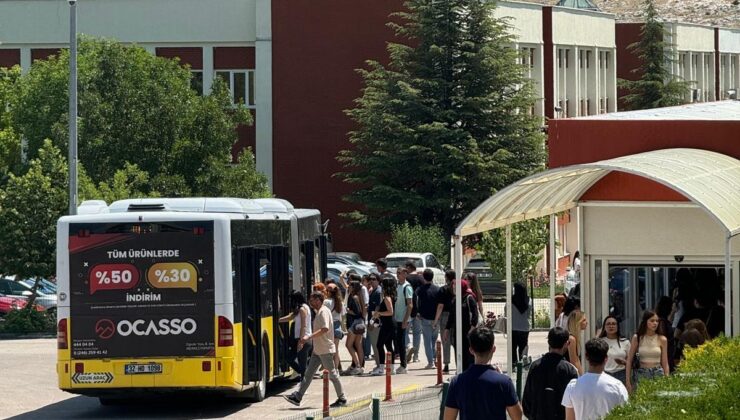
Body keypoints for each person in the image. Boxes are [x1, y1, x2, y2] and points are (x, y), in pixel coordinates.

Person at [444, 326, 522, 420]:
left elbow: (448, 417)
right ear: (493, 349)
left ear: (471, 350)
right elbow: (517, 416)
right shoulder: (504, 382)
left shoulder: (457, 382)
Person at [284, 291, 347, 408]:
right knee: (308, 374)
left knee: (332, 374)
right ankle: (298, 397)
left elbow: (325, 328)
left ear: (318, 300)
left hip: (325, 349)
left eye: (312, 300)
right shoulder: (320, 311)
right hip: (318, 350)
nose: (310, 302)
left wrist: (309, 336)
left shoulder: (323, 311)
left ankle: (342, 398)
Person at [561, 338, 628, 420]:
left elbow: (570, 418)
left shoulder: (573, 386)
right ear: (606, 358)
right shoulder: (618, 386)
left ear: (586, 356)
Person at [522, 327, 578, 420]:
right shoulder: (570, 370)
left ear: (549, 343)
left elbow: (527, 399)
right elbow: (574, 402)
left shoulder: (535, 366)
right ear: (567, 344)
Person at [625, 310, 670, 393]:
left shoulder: (662, 339)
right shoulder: (637, 338)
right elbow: (629, 360)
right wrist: (628, 381)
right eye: (652, 321)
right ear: (645, 321)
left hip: (657, 372)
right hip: (642, 372)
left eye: (657, 321)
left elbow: (665, 362)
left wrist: (667, 379)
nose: (655, 323)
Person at [444, 279, 479, 372]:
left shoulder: (469, 298)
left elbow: (475, 315)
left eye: (456, 286)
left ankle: (469, 373)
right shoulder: (455, 299)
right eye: (453, 286)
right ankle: (460, 371)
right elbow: (451, 315)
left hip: (468, 333)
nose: (454, 287)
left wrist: (471, 329)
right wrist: (447, 329)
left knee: (469, 355)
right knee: (458, 353)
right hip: (457, 332)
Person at [278, 290, 312, 382]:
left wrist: (301, 341)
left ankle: (304, 381)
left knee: (302, 363)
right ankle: (304, 376)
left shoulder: (302, 309)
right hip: (300, 339)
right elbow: (290, 317)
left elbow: (303, 326)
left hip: (303, 339)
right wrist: (277, 320)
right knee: (289, 358)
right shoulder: (302, 308)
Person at [370, 275, 396, 375]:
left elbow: (390, 312)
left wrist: (379, 313)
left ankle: (381, 368)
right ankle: (391, 368)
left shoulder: (386, 298)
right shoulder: (391, 296)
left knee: (379, 344)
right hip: (388, 324)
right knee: (388, 345)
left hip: (388, 324)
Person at [415, 268, 440, 369]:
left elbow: (416, 302)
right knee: (433, 340)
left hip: (424, 318)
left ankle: (431, 362)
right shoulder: (438, 289)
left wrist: (417, 313)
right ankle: (434, 358)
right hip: (436, 319)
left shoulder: (419, 290)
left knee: (427, 341)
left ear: (423, 277)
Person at [433, 269, 456, 373]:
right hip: (456, 315)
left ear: (446, 277)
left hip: (445, 316)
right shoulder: (457, 289)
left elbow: (440, 306)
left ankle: (446, 364)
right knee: (456, 341)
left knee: (445, 341)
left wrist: (436, 319)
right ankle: (458, 363)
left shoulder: (443, 289)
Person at [597, 315, 630, 386]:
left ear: (618, 326)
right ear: (604, 327)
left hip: (621, 374)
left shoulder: (625, 342)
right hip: (605, 374)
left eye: (613, 324)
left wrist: (624, 362)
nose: (611, 326)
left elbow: (630, 363)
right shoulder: (600, 342)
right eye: (608, 324)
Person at [393, 267, 413, 374]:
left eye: (399, 273)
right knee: (399, 342)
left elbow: (410, 305)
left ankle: (404, 365)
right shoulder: (397, 286)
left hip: (403, 319)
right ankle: (402, 364)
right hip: (397, 318)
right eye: (397, 273)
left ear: (405, 274)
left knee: (401, 342)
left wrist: (405, 320)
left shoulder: (407, 287)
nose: (397, 275)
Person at [343, 280, 366, 375]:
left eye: (351, 285)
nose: (349, 287)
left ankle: (357, 365)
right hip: (360, 322)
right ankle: (360, 366)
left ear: (354, 287)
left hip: (354, 323)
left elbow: (356, 312)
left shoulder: (354, 297)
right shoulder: (359, 296)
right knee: (358, 345)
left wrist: (348, 310)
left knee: (348, 345)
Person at [323, 283, 345, 372]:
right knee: (335, 350)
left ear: (328, 292)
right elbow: (343, 315)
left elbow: (323, 314)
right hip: (337, 326)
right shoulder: (340, 302)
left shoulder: (326, 302)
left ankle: (328, 369)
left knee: (328, 351)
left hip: (329, 326)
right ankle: (336, 369)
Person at [405, 261, 423, 363]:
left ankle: (409, 346)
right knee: (417, 333)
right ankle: (416, 356)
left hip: (409, 308)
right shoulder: (421, 279)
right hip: (419, 310)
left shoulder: (407, 279)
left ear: (409, 267)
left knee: (405, 331)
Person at [510, 282, 531, 364]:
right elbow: (529, 314)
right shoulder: (528, 300)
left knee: (513, 348)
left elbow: (506, 311)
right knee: (523, 348)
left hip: (513, 327)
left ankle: (514, 364)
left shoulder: (511, 300)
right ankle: (523, 365)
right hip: (524, 328)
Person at [366, 274, 382, 368]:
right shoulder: (373, 291)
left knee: (376, 344)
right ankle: (378, 364)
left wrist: (372, 322)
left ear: (378, 280)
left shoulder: (378, 292)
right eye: (370, 279)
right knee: (374, 344)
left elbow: (377, 308)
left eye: (374, 279)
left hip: (375, 322)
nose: (371, 281)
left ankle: (380, 365)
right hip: (372, 320)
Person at [566, 309, 587, 375]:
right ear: (577, 322)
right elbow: (574, 361)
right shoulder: (571, 339)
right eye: (584, 320)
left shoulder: (572, 337)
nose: (587, 322)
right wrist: (581, 377)